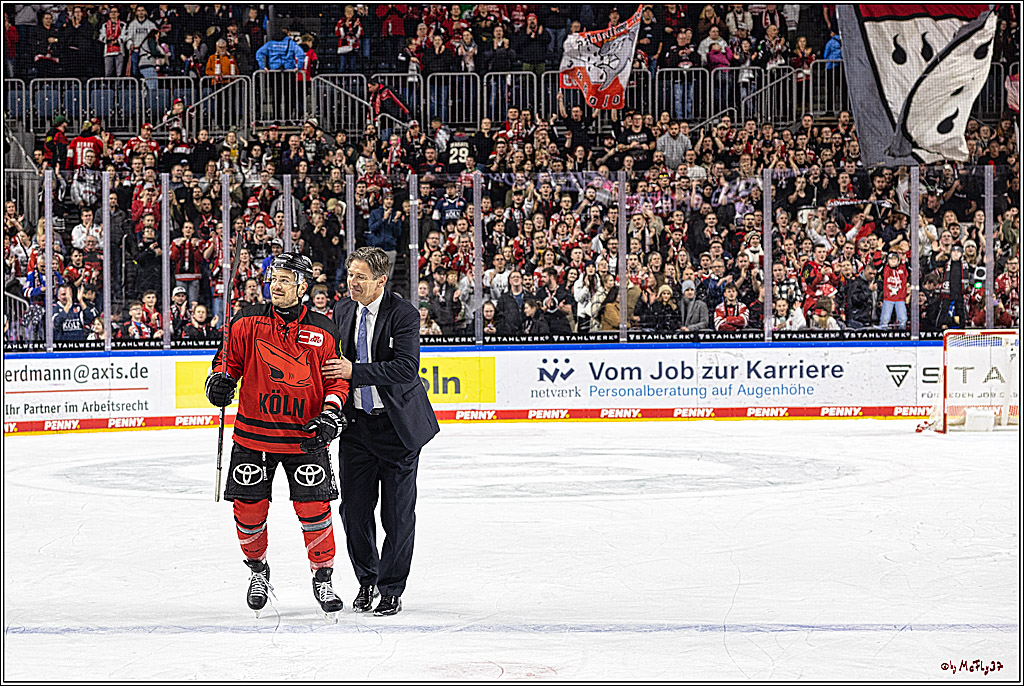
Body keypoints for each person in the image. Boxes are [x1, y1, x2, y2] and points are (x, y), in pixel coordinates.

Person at [204, 252, 350, 618]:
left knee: (314, 510)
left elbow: (336, 381)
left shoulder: (324, 329)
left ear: (303, 286)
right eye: (274, 278)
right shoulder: (246, 321)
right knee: (248, 512)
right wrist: (218, 383)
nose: (277, 285)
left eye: (285, 279)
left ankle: (323, 577)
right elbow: (226, 365)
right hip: (252, 437)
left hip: (305, 437)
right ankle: (257, 572)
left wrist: (331, 412)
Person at [323, 247, 439, 616]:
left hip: (397, 430)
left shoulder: (402, 314)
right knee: (354, 512)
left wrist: (354, 371)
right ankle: (367, 581)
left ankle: (391, 588)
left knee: (397, 516)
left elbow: (405, 368)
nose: (351, 283)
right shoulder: (342, 310)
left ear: (380, 281)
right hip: (356, 427)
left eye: (360, 277)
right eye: (349, 275)